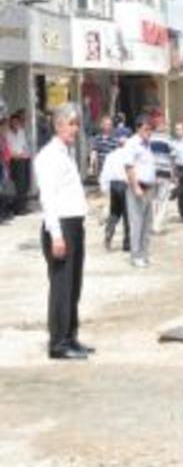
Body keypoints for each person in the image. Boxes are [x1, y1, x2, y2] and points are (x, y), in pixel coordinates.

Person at [34, 103, 94, 360]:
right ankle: (58, 343)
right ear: (58, 125)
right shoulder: (48, 156)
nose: (75, 129)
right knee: (61, 286)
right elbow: (48, 198)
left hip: (74, 224)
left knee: (74, 285)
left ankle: (71, 336)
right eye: (71, 124)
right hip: (61, 227)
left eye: (76, 124)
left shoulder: (66, 153)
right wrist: (56, 234)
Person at [124, 114, 156, 268]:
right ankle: (135, 255)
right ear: (138, 129)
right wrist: (135, 186)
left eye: (150, 129)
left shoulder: (148, 144)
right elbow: (129, 166)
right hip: (138, 187)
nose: (148, 132)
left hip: (149, 187)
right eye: (145, 129)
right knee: (137, 223)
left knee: (147, 223)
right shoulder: (132, 144)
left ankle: (144, 253)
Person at [99, 136, 130, 251]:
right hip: (125, 185)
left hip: (113, 185)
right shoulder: (129, 156)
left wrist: (105, 188)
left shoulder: (110, 156)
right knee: (128, 215)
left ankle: (109, 232)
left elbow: (105, 173)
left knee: (114, 212)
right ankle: (127, 243)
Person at [149, 121, 175, 234]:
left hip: (151, 173)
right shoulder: (168, 139)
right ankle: (157, 225)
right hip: (164, 173)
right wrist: (174, 174)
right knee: (163, 200)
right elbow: (173, 157)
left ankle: (152, 223)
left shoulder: (149, 138)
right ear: (162, 126)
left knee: (153, 200)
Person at [8, 110, 31, 214]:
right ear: (10, 123)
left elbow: (24, 145)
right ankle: (18, 208)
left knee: (26, 184)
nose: (16, 124)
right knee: (19, 185)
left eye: (17, 122)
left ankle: (23, 206)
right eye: (13, 122)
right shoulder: (8, 133)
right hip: (15, 161)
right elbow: (8, 150)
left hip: (24, 159)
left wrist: (26, 153)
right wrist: (18, 155)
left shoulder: (21, 131)